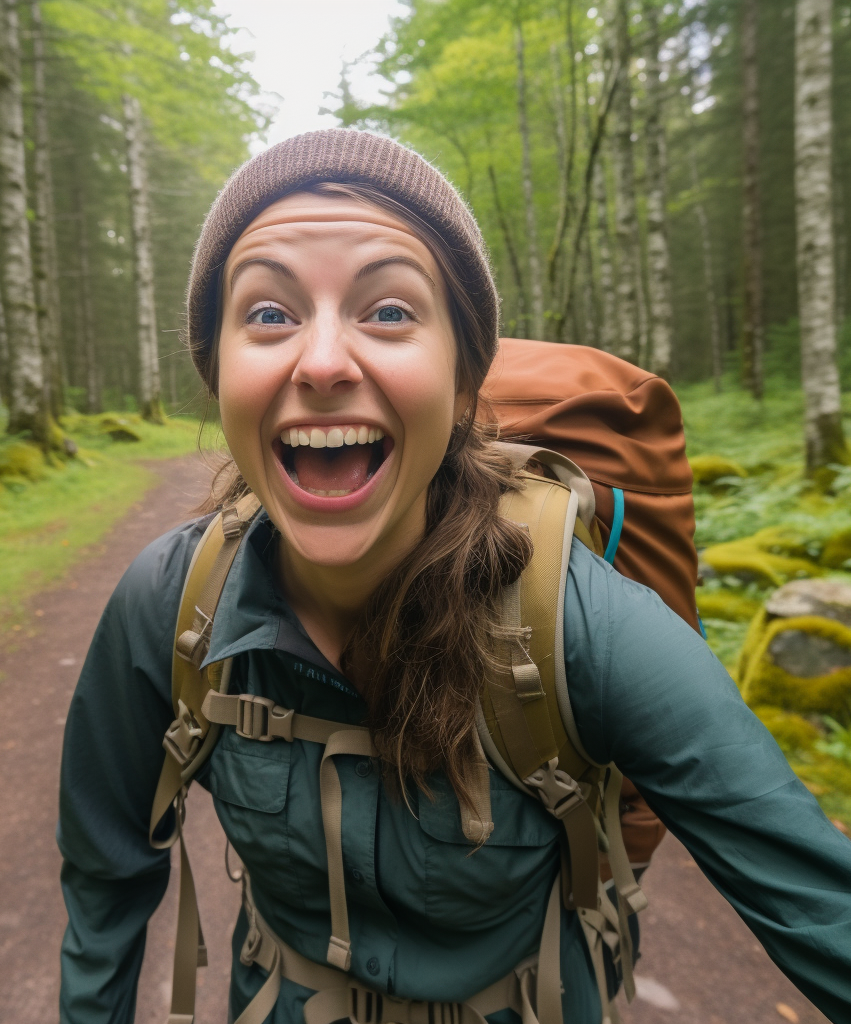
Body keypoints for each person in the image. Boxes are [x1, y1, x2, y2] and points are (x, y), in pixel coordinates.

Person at [57, 129, 851, 1024]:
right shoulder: (169, 606)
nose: (321, 362)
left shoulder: (578, 625)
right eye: (270, 314)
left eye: (389, 310)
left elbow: (821, 906)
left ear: (468, 380)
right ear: (218, 373)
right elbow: (102, 880)